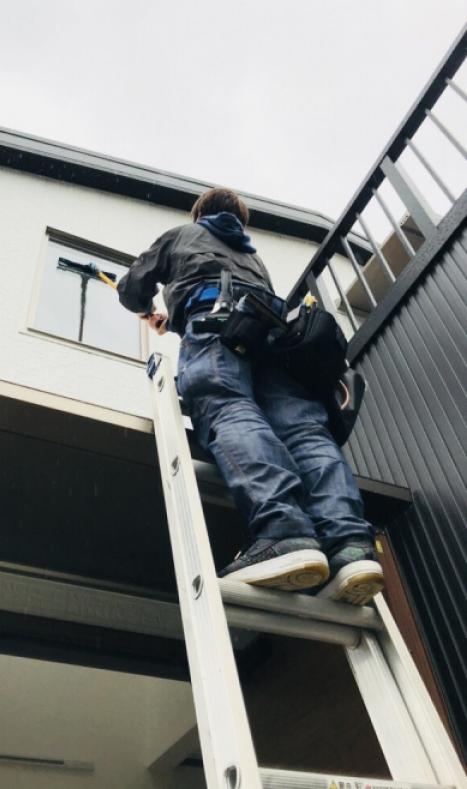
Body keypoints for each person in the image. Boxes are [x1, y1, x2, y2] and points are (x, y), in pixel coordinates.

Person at [118, 188, 384, 604]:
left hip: (217, 330)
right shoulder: (251, 255)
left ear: (199, 214)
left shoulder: (182, 235)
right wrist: (175, 319)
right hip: (272, 338)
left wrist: (144, 307)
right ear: (239, 221)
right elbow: (230, 294)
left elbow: (133, 286)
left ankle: (285, 531)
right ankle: (349, 544)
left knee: (227, 407)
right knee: (304, 433)